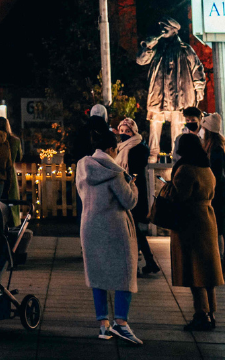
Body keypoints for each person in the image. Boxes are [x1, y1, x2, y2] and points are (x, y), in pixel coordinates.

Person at [75, 117, 143, 345]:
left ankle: (103, 324)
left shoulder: (83, 166)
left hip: (90, 224)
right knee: (125, 272)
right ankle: (121, 324)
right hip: (114, 228)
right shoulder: (114, 172)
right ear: (112, 149)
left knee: (98, 275)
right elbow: (129, 201)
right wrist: (132, 183)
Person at [167, 131, 223, 331]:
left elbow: (178, 196)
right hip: (207, 219)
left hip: (190, 223)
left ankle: (201, 315)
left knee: (194, 271)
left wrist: (167, 187)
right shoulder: (206, 169)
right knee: (207, 271)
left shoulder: (186, 169)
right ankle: (211, 312)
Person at [137, 19, 206, 158]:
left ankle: (178, 154)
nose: (162, 29)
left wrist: (199, 89)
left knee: (178, 125)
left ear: (174, 29)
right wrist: (148, 46)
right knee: (155, 122)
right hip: (159, 93)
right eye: (161, 26)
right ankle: (152, 154)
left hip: (180, 95)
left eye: (165, 27)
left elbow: (197, 68)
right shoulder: (156, 48)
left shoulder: (185, 49)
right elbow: (140, 60)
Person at [115, 116, 160, 277]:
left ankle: (140, 263)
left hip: (134, 191)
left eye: (127, 131)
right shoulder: (121, 147)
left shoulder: (139, 147)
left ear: (133, 132)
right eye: (122, 131)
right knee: (132, 229)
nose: (124, 134)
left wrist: (128, 179)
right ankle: (149, 262)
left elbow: (136, 170)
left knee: (132, 229)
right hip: (125, 190)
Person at [199, 113, 225, 279]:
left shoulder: (214, 148)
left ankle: (221, 263)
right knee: (223, 229)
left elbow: (215, 173)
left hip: (218, 192)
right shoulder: (218, 144)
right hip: (221, 190)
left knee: (219, 228)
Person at [0, 116, 23, 225]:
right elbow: (19, 157)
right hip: (11, 172)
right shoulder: (15, 140)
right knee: (12, 199)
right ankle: (13, 221)